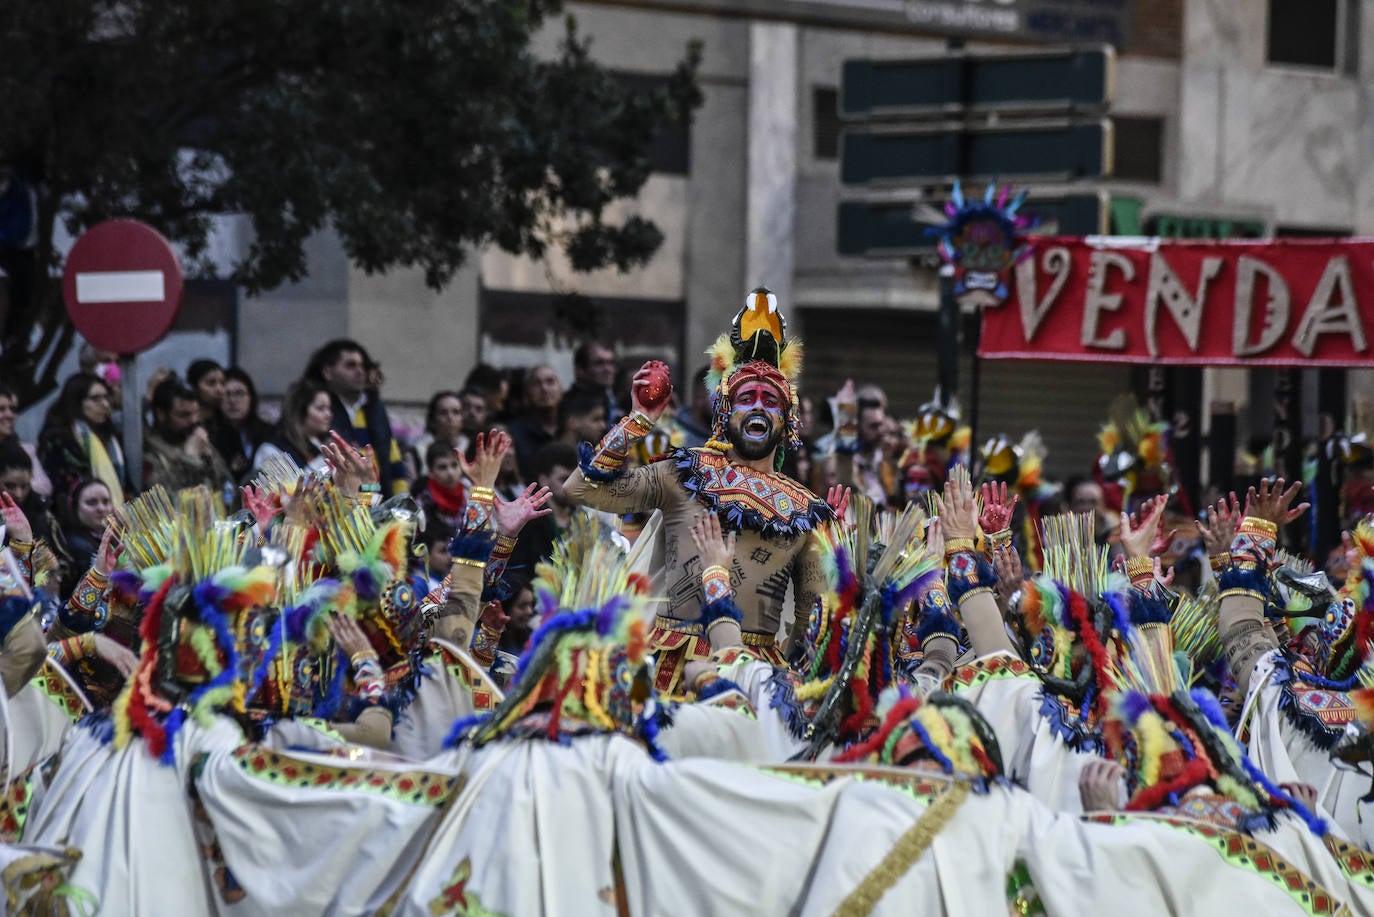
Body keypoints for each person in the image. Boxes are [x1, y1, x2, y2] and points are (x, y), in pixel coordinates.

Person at [563, 290, 837, 693]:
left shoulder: (808, 511)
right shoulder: (683, 471)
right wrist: (638, 420)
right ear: (725, 414)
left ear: (788, 421)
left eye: (770, 401)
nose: (758, 407)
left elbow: (812, 619)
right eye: (746, 398)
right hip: (664, 673)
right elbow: (581, 488)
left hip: (752, 679)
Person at [304, 338, 408, 495]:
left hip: (377, 501)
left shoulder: (375, 409)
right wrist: (369, 492)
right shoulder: (316, 409)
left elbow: (394, 463)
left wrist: (400, 503)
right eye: (350, 365)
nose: (360, 371)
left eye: (362, 366)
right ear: (327, 372)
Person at [38, 372, 126, 505]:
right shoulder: (58, 440)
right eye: (96, 398)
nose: (105, 405)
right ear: (76, 402)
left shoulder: (111, 438)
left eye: (106, 397)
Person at [142, 376, 233, 498]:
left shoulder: (196, 437)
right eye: (184, 415)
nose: (193, 420)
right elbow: (167, 502)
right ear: (161, 414)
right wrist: (190, 458)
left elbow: (227, 488)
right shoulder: (149, 451)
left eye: (195, 412)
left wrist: (208, 459)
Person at [252, 379, 333, 476]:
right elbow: (287, 488)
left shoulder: (319, 443)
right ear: (299, 412)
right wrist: (323, 460)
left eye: (329, 408)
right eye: (320, 408)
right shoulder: (271, 449)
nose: (329, 415)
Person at [53, 478, 113, 599]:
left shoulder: (111, 538)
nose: (101, 508)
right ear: (75, 508)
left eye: (106, 502)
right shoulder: (77, 546)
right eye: (91, 503)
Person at [508, 365, 562, 480]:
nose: (544, 389)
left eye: (550, 382)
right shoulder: (515, 431)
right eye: (537, 384)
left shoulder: (570, 425)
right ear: (527, 393)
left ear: (561, 390)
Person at [219, 367, 273, 479]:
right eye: (227, 394)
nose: (233, 400)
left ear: (251, 397)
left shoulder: (270, 432)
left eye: (239, 393)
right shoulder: (213, 436)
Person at [0, 383, 51, 497]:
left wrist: (14, 484)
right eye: (1, 409)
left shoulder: (25, 449)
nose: (10, 415)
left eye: (12, 409)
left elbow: (44, 487)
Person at [565, 340, 618, 437]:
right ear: (580, 370)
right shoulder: (567, 405)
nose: (608, 369)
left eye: (611, 363)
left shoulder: (611, 401)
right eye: (599, 363)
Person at [410, 390, 464, 478]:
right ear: (433, 420)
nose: (450, 418)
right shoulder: (419, 448)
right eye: (443, 413)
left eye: (456, 412)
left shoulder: (471, 446)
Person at [415, 440, 466, 531]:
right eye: (442, 467)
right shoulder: (422, 504)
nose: (450, 473)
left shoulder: (469, 497)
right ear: (430, 472)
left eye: (454, 465)